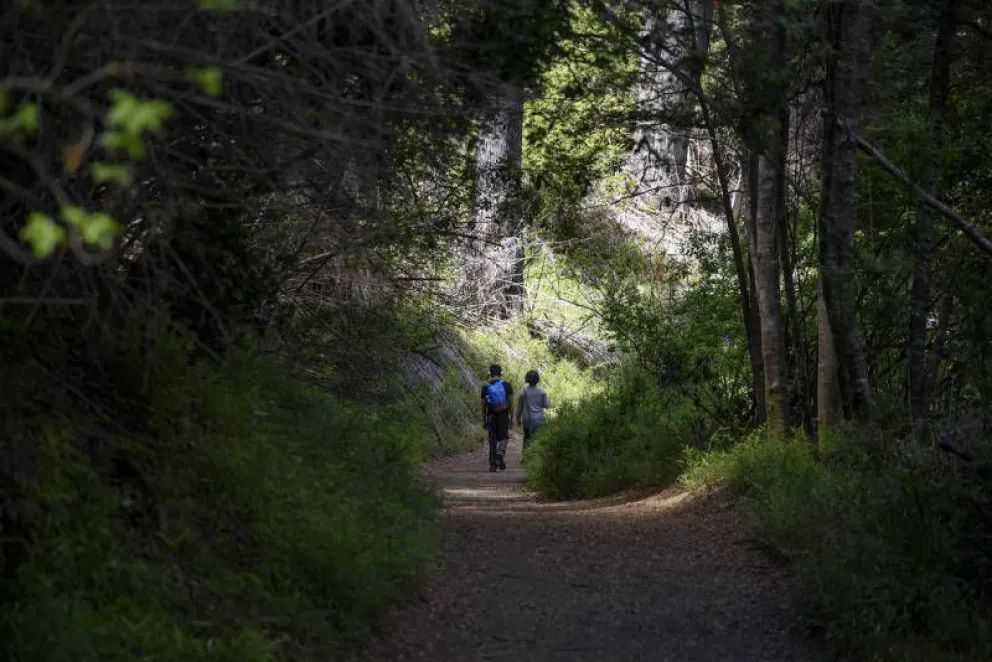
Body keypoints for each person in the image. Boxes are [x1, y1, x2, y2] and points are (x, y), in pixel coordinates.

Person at [481, 364, 514, 472]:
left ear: (490, 373)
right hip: (503, 415)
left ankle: (493, 465)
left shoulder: (485, 387)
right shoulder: (506, 385)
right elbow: (511, 403)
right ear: (501, 373)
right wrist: (512, 417)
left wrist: (484, 420)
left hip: (491, 415)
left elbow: (483, 405)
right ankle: (500, 454)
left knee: (493, 440)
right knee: (504, 436)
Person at [516, 370, 551, 454]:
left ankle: (525, 455)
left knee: (527, 438)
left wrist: (518, 419)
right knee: (537, 438)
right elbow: (547, 405)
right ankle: (535, 456)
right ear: (537, 379)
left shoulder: (523, 391)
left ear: (527, 379)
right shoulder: (542, 391)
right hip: (539, 419)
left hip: (526, 419)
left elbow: (519, 407)